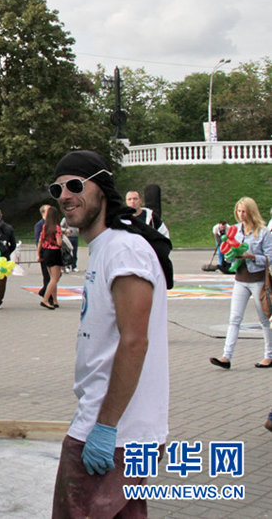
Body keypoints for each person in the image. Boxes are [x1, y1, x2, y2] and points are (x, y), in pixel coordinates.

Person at [49, 150, 172, 518]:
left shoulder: (124, 249)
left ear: (102, 188)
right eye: (56, 189)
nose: (64, 196)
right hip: (120, 430)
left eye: (74, 185)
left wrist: (104, 427)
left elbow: (135, 341)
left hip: (113, 433)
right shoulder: (108, 248)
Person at [209, 197, 272, 370]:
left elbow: (270, 257)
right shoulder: (235, 230)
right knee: (234, 319)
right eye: (238, 211)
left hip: (258, 280)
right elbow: (228, 249)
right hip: (240, 279)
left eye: (244, 211)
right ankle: (226, 357)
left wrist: (251, 257)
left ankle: (269, 356)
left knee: (264, 319)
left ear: (251, 212)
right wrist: (229, 255)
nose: (241, 214)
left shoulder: (264, 232)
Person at [37, 206, 63, 310]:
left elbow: (40, 241)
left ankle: (55, 300)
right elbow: (59, 242)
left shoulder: (45, 227)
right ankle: (45, 299)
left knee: (52, 277)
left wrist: (39, 254)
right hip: (55, 252)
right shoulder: (56, 227)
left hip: (46, 252)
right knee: (55, 278)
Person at [34, 204, 55, 307]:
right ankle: (48, 297)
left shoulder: (53, 223)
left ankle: (44, 291)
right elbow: (38, 241)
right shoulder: (39, 225)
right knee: (48, 276)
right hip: (45, 253)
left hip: (54, 252)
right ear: (43, 213)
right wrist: (40, 254)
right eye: (48, 211)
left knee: (55, 276)